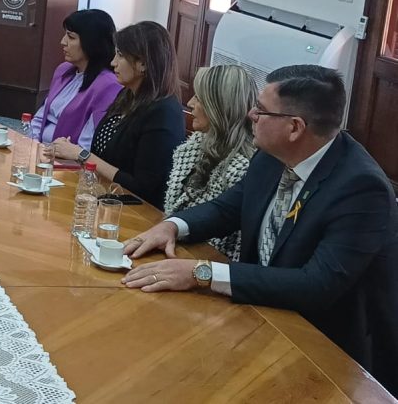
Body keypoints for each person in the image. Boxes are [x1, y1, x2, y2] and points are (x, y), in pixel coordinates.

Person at [122, 65, 398, 395]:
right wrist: (172, 226)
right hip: (258, 316)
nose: (251, 113)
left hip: (323, 354)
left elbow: (317, 285)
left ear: (295, 128)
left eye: (262, 110)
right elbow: (229, 208)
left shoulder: (360, 187)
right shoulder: (270, 155)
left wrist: (203, 272)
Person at [53, 20, 184, 207]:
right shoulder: (127, 94)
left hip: (137, 210)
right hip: (105, 196)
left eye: (120, 56)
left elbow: (143, 187)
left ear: (143, 64)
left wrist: (81, 155)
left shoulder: (163, 112)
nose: (113, 62)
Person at [163, 65, 257, 260]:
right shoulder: (195, 146)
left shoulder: (242, 168)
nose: (189, 103)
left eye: (198, 98)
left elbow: (226, 249)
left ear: (219, 107)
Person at [29, 9, 121, 149]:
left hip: (68, 162)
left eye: (71, 37)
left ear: (92, 43)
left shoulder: (108, 85)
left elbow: (88, 143)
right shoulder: (64, 70)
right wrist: (33, 145)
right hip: (41, 152)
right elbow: (41, 117)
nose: (63, 42)